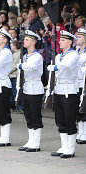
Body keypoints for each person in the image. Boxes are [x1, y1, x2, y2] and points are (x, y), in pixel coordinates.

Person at [48, 30, 79, 158]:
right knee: (60, 119)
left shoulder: (73, 55)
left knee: (69, 119)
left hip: (69, 90)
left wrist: (54, 67)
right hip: (59, 89)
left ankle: (70, 149)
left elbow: (65, 66)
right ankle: (64, 146)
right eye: (60, 39)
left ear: (70, 42)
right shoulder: (58, 56)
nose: (60, 42)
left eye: (63, 40)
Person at [17, 30, 44, 152]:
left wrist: (20, 65)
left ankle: (36, 143)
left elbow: (30, 66)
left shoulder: (37, 56)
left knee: (35, 115)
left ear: (33, 42)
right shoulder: (25, 56)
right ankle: (30, 140)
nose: (24, 41)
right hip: (27, 88)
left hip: (35, 88)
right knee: (28, 115)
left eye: (27, 39)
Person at [76, 28, 86, 144]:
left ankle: (85, 133)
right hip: (76, 83)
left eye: (80, 36)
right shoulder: (76, 50)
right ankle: (81, 131)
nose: (77, 38)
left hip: (84, 82)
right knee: (78, 109)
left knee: (84, 108)